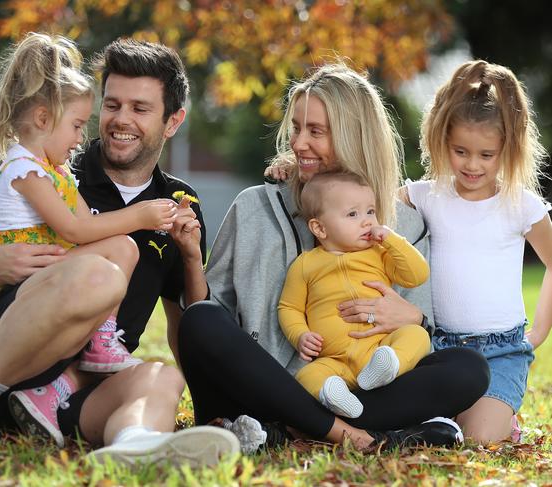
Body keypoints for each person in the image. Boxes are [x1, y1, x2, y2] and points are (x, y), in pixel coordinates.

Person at [0, 37, 239, 465]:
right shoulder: (53, 165)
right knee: (97, 274)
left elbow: (187, 326)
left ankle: (132, 445)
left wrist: (191, 258)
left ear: (173, 121)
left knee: (160, 376)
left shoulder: (175, 201)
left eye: (140, 108)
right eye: (113, 104)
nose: (120, 119)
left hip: (62, 396)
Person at [177, 63, 490, 454]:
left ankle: (292, 429)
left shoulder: (403, 225)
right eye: (295, 128)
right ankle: (362, 436)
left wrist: (416, 319)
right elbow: (210, 317)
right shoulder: (254, 206)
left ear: (353, 136)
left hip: (354, 390)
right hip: (258, 392)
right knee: (200, 321)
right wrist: (191, 258)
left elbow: (421, 336)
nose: (298, 143)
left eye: (316, 132)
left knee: (469, 368)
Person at [402, 59, 552, 444]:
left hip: (501, 351)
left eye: (486, 155)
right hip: (437, 347)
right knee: (434, 432)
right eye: (460, 151)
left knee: (476, 440)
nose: (472, 165)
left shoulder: (521, 206)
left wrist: (538, 331)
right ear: (441, 139)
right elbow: (360, 204)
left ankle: (500, 420)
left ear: (509, 149)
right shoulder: (425, 196)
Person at [279, 170, 431, 419]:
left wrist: (393, 241)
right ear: (320, 228)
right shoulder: (306, 264)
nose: (368, 221)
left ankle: (388, 367)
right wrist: (300, 335)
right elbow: (289, 307)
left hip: (379, 346)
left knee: (417, 335)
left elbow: (418, 274)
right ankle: (335, 395)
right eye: (353, 214)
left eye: (370, 211)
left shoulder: (380, 254)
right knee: (307, 376)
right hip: (334, 360)